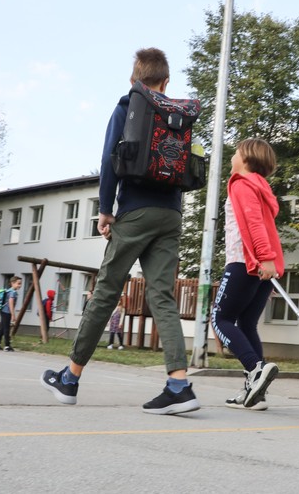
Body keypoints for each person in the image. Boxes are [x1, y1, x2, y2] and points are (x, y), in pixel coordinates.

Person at [41, 48, 199, 415]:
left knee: (107, 291)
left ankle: (70, 378)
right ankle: (179, 385)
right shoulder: (179, 113)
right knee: (162, 295)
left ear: (135, 80)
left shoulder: (128, 106)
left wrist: (106, 210)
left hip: (135, 212)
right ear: (166, 81)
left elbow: (109, 160)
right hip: (171, 213)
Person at [211, 138, 283, 411]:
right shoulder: (261, 187)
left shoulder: (242, 183)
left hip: (246, 262)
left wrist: (264, 259)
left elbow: (253, 224)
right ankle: (256, 393)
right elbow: (266, 227)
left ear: (247, 158)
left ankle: (256, 370)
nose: (232, 156)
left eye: (236, 152)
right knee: (246, 323)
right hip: (263, 266)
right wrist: (270, 264)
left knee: (220, 319)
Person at [0, 276, 21, 352]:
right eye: (18, 283)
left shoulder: (8, 291)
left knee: (2, 328)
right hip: (7, 312)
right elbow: (11, 303)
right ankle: (7, 345)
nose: (20, 285)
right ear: (12, 283)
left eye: (20, 284)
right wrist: (13, 314)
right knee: (6, 329)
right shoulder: (13, 292)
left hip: (3, 310)